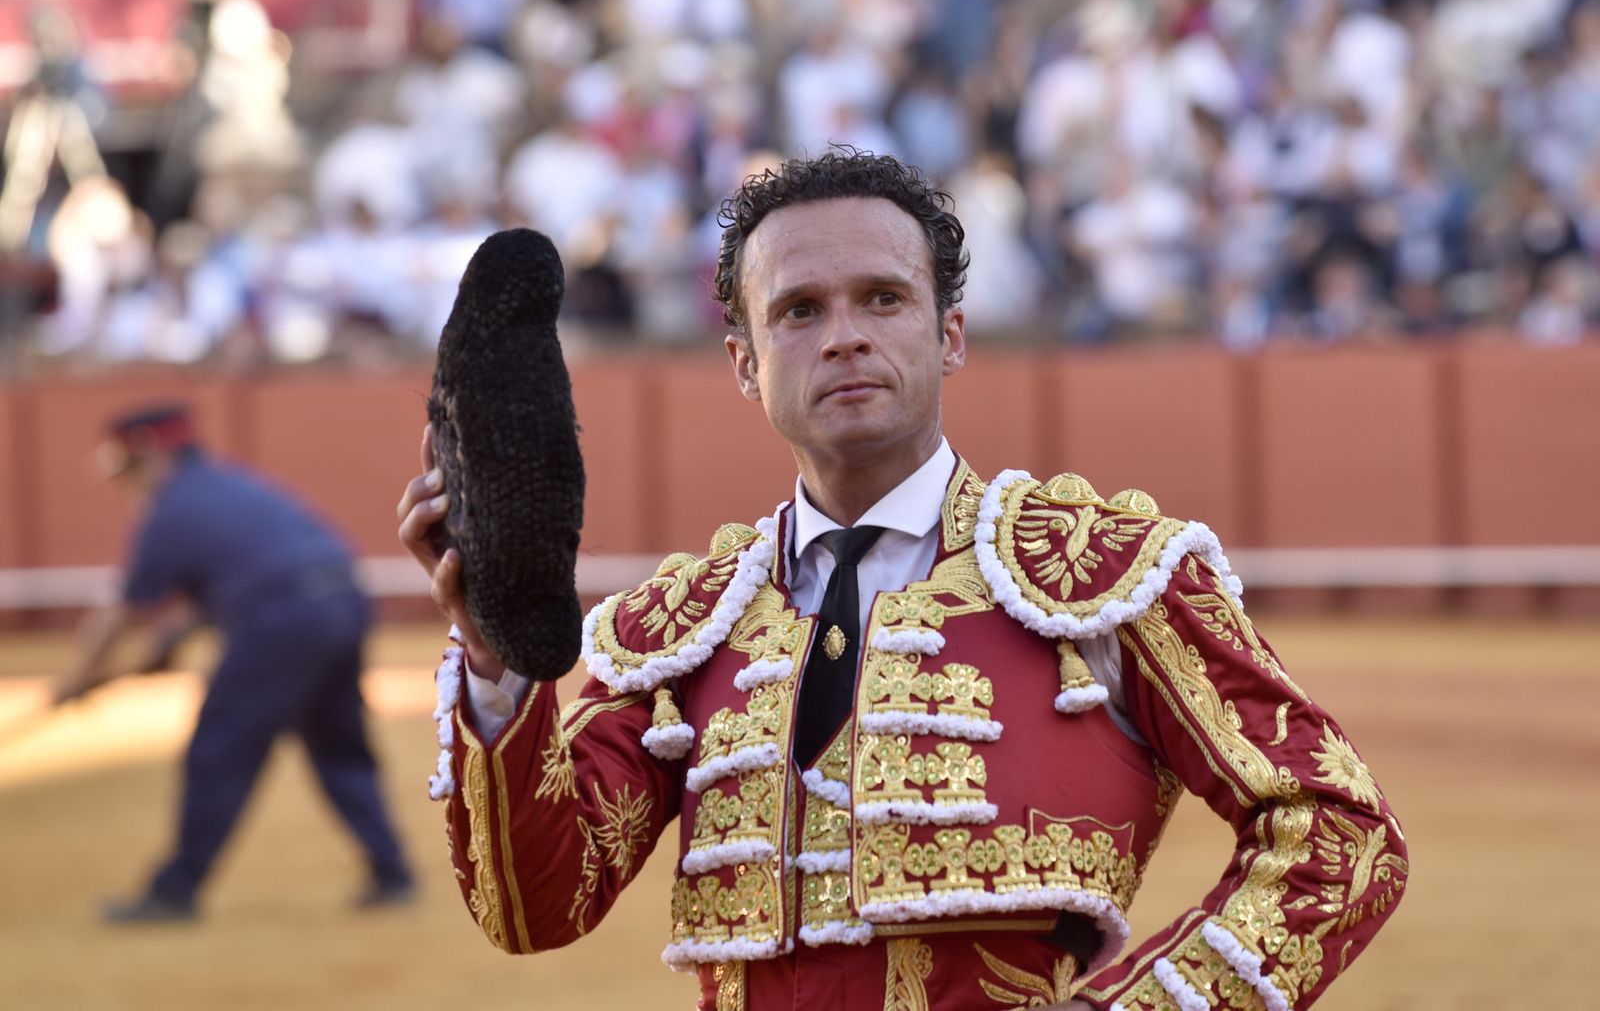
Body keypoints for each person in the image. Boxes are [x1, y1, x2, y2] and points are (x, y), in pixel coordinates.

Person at [397, 150, 1407, 1009]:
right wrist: (495, 656)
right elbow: (539, 904)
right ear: (744, 363)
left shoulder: (1102, 579)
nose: (844, 334)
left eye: (882, 298)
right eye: (797, 310)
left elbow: (1336, 830)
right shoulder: (686, 628)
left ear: (947, 333)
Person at [54, 404, 413, 922]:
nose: (123, 485)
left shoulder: (170, 509)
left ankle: (175, 891)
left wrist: (75, 678)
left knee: (220, 747)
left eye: (127, 471)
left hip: (280, 622)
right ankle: (392, 870)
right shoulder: (230, 487)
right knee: (338, 744)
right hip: (342, 602)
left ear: (151, 457)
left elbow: (121, 613)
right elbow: (222, 587)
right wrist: (165, 649)